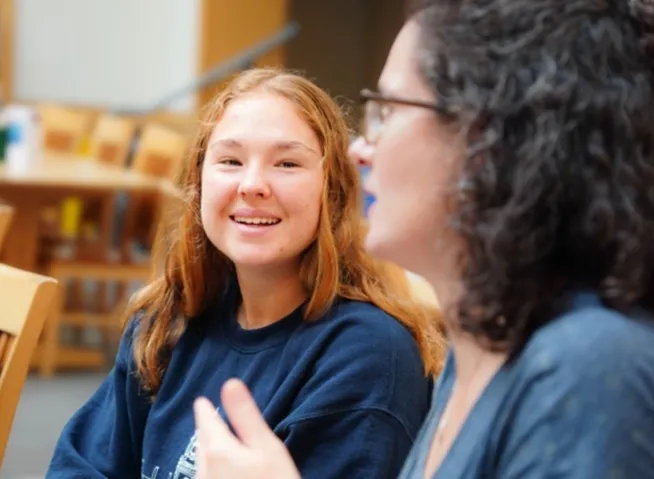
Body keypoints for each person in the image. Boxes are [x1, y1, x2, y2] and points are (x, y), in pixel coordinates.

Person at [192, 0, 654, 477]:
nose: (359, 152)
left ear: (488, 142)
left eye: (388, 111)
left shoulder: (593, 375)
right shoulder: (484, 344)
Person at [46, 68, 446, 478]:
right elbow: (79, 467)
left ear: (334, 192)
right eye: (230, 160)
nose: (252, 185)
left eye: (287, 163)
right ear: (199, 183)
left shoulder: (368, 357)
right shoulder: (167, 320)